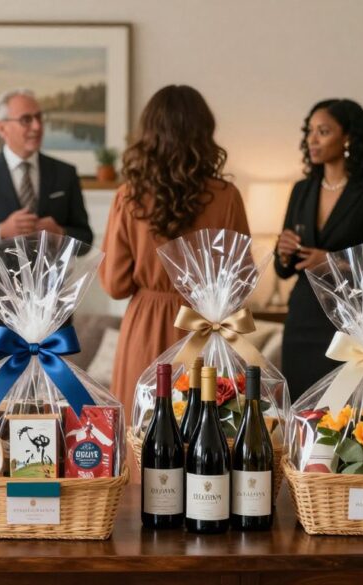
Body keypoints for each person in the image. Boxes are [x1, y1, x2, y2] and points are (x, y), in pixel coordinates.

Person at [100, 84, 250, 411]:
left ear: (149, 134)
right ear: (204, 132)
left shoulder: (129, 197)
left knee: (142, 436)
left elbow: (114, 284)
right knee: (206, 433)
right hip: (204, 327)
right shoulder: (227, 196)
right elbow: (240, 283)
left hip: (144, 328)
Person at [0, 88, 92, 371]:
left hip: (52, 318)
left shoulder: (65, 174)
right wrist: (0, 231)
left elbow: (86, 240)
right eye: (26, 119)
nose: (37, 126)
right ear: (2, 128)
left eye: (39, 118)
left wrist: (61, 233)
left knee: (50, 409)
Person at [275, 99, 363, 401]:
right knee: (300, 409)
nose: (312, 140)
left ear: (347, 138)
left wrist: (332, 262)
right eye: (310, 131)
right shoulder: (302, 190)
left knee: (340, 412)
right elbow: (284, 269)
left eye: (323, 131)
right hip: (301, 317)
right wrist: (284, 252)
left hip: (346, 321)